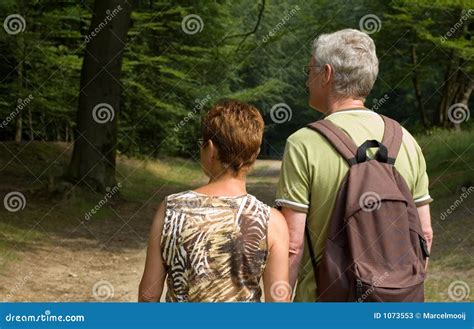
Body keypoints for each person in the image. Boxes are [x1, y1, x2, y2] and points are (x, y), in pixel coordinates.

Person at [275, 29, 434, 301]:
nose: (306, 79)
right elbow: (424, 236)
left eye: (309, 69)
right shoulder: (406, 141)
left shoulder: (303, 143)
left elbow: (292, 245)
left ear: (326, 74)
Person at [139, 100, 290, 302]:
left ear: (210, 149)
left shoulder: (171, 209)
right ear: (255, 154)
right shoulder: (272, 222)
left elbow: (148, 296)